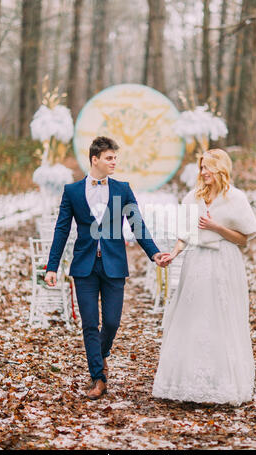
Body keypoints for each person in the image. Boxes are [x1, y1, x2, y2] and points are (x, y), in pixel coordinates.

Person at [45, 136, 169, 400]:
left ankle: (100, 355)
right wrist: (52, 266)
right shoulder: (73, 192)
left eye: (115, 158)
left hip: (114, 265)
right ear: (95, 160)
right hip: (84, 267)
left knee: (111, 322)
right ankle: (98, 377)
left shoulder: (122, 189)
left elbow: (137, 223)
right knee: (90, 324)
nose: (114, 162)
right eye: (109, 158)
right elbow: (61, 229)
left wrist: (154, 252)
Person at [153, 149, 256, 406]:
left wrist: (217, 228)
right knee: (194, 315)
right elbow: (185, 234)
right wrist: (174, 254)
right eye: (201, 168)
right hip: (197, 261)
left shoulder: (235, 198)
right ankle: (186, 382)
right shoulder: (194, 197)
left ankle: (222, 382)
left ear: (220, 169)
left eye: (207, 168)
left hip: (225, 261)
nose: (202, 173)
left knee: (221, 316)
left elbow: (243, 239)